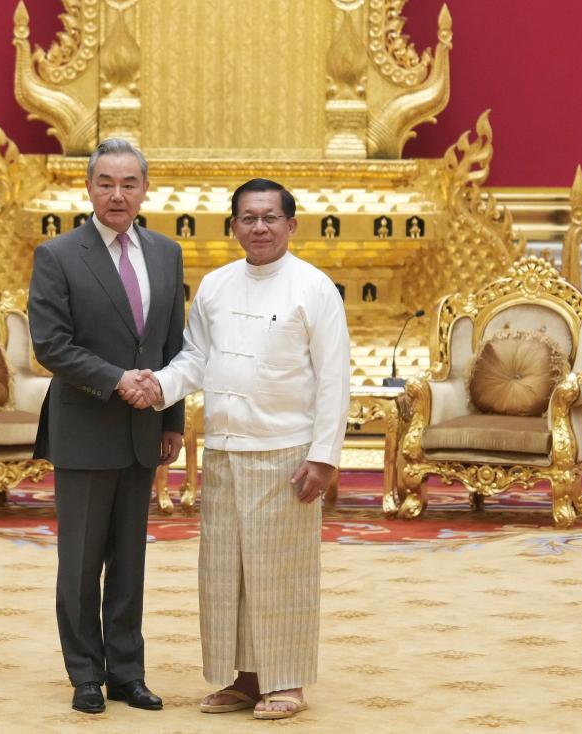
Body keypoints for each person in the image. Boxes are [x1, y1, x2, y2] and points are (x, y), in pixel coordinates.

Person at [125, 178, 351, 720]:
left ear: (291, 225)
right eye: (248, 218)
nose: (260, 228)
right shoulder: (216, 286)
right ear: (233, 227)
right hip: (225, 450)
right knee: (228, 572)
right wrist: (158, 387)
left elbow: (334, 378)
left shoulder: (314, 288)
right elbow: (195, 359)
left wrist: (324, 456)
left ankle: (287, 680)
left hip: (287, 450)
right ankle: (246, 678)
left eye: (270, 218)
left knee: (282, 570)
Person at [28, 138, 184, 715]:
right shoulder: (59, 255)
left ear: (145, 190)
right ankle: (85, 674)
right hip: (86, 427)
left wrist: (172, 416)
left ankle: (127, 671)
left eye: (129, 184)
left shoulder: (167, 253)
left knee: (130, 560)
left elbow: (173, 343)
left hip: (145, 431)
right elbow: (51, 344)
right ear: (88, 188)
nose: (117, 195)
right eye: (106, 183)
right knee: (80, 562)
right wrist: (118, 378)